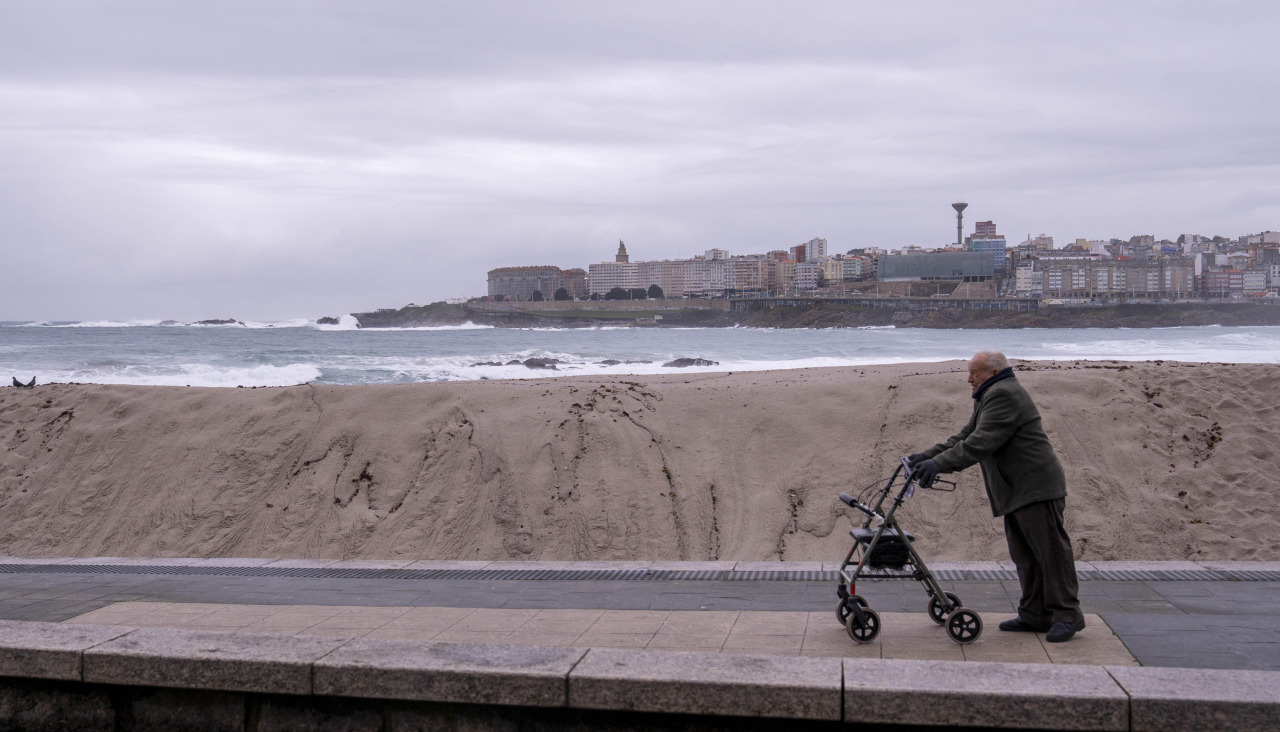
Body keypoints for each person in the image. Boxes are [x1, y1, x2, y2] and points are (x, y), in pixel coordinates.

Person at [908, 351, 1085, 643]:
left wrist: (938, 464)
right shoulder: (989, 394)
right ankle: (1036, 615)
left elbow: (981, 442)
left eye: (974, 372)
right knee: (1025, 556)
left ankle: (1068, 616)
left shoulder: (1003, 394)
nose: (969, 379)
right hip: (1017, 488)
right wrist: (927, 457)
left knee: (1051, 553)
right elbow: (965, 436)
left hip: (1035, 486)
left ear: (993, 372)